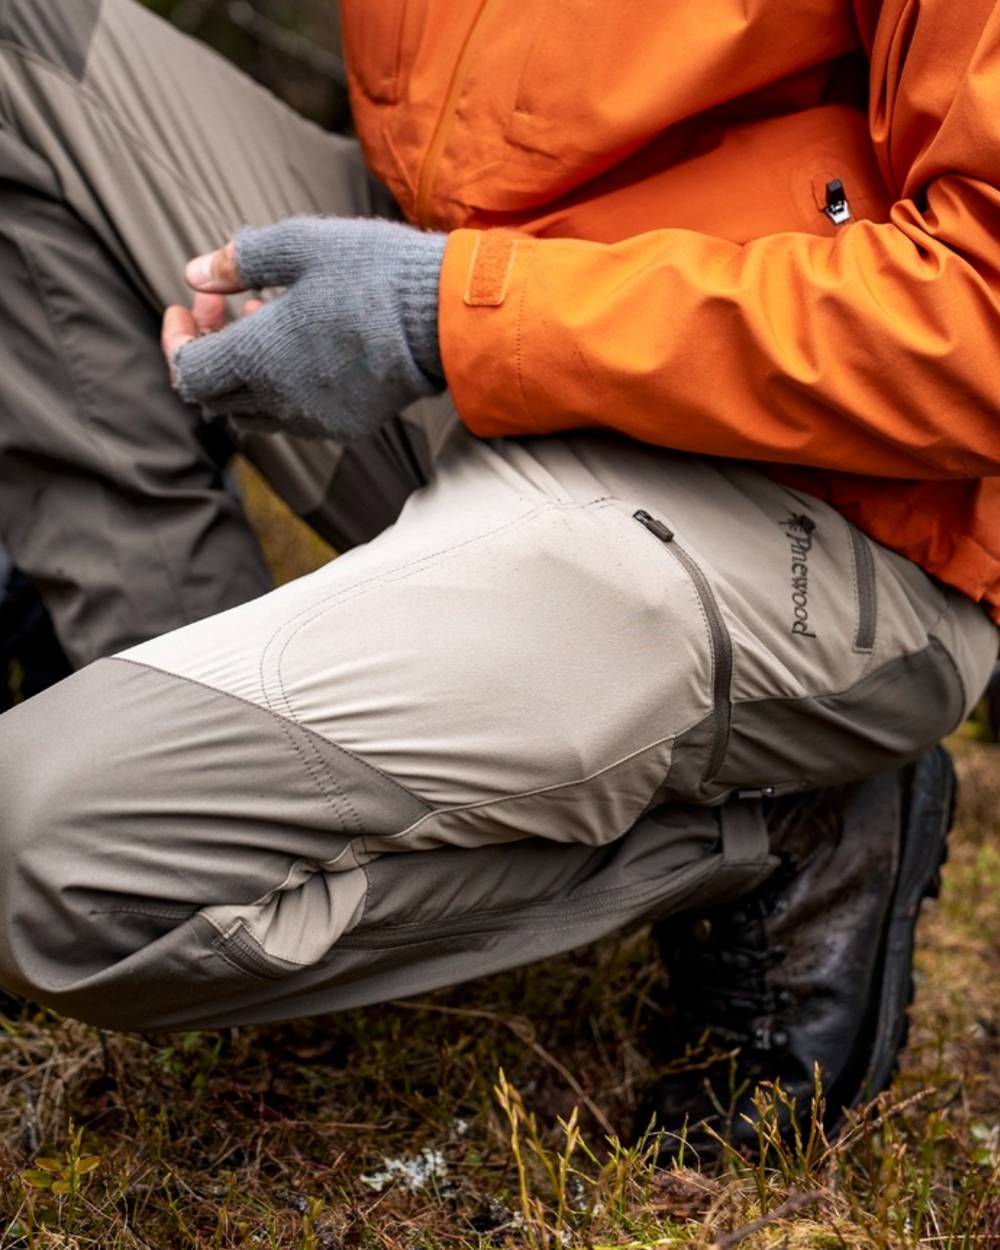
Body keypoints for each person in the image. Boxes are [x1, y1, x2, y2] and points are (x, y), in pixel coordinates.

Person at [0, 0, 998, 1157]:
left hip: (804, 490)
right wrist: (447, 300)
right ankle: (206, 728)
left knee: (33, 858)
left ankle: (776, 826)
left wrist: (450, 313)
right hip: (478, 302)